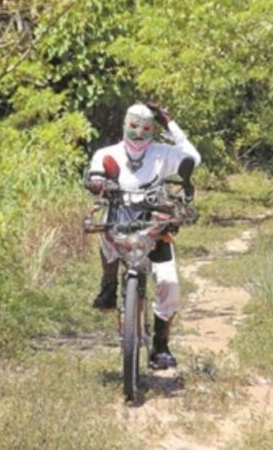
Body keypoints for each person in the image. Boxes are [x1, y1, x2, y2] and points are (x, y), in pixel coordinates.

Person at [84, 102, 201, 369]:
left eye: (147, 128)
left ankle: (161, 343)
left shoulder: (162, 154)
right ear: (125, 124)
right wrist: (98, 184)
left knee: (169, 283)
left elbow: (192, 160)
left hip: (154, 226)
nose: (139, 134)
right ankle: (108, 286)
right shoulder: (106, 154)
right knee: (105, 228)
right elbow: (95, 178)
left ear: (153, 128)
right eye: (134, 126)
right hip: (119, 223)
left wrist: (170, 123)